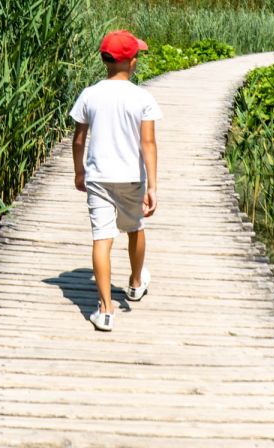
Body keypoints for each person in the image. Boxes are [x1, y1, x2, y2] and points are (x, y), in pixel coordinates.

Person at [70, 30, 162, 332]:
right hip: (131, 178)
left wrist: (79, 171)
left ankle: (106, 310)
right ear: (132, 62)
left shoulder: (89, 94)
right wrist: (152, 185)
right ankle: (135, 283)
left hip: (98, 177)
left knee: (102, 238)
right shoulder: (142, 97)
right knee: (135, 227)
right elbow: (148, 143)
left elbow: (78, 139)